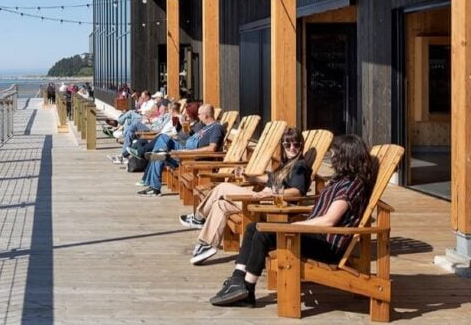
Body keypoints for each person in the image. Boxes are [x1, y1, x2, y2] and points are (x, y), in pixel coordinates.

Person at [209, 134, 375, 307]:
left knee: (263, 234)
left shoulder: (351, 186)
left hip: (327, 244)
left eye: (334, 153)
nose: (332, 157)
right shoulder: (341, 180)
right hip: (315, 234)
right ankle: (237, 280)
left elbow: (329, 221)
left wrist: (295, 225)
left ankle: (248, 290)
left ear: (345, 157)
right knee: (253, 227)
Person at [182, 128, 312, 265]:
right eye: (287, 144)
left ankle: (199, 217)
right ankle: (207, 243)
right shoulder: (286, 165)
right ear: (283, 146)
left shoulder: (299, 166)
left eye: (296, 144)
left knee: (221, 188)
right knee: (220, 205)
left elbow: (297, 192)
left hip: (272, 205)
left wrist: (271, 193)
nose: (292, 148)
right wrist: (252, 178)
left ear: (301, 146)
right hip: (264, 200)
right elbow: (271, 178)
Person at [135, 104, 225, 196]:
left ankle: (154, 187)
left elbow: (212, 149)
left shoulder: (216, 128)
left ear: (206, 115)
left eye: (199, 114)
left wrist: (189, 152)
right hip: (186, 150)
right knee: (163, 138)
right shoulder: (206, 127)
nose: (198, 116)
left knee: (158, 154)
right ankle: (159, 156)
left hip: (191, 157)